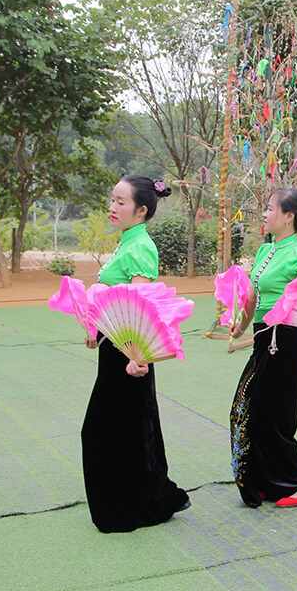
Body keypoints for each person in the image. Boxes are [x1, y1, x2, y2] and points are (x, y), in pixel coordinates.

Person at [81, 175, 190, 533]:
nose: (113, 207)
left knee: (110, 430)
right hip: (116, 350)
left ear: (141, 210)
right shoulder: (127, 244)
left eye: (121, 202)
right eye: (112, 199)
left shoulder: (140, 246)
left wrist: (138, 357)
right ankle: (136, 500)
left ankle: (134, 505)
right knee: (122, 429)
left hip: (132, 357)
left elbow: (141, 308)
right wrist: (96, 332)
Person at [229, 188, 297, 508]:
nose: (264, 214)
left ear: (289, 217)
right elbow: (252, 297)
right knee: (250, 410)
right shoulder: (265, 252)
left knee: (277, 417)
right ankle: (269, 479)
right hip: (260, 339)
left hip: (286, 343)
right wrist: (239, 327)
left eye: (269, 209)